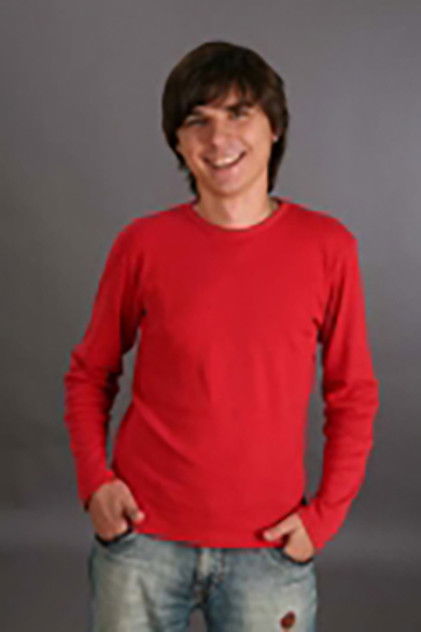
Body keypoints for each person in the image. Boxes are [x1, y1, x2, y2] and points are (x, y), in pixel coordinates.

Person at [63, 40, 380, 632]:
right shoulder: (142, 245)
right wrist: (94, 484)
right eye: (197, 121)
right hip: (141, 539)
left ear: (274, 127)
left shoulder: (328, 248)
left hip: (270, 548)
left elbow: (353, 394)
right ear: (178, 143)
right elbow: (90, 374)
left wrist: (325, 517)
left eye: (239, 114)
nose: (218, 139)